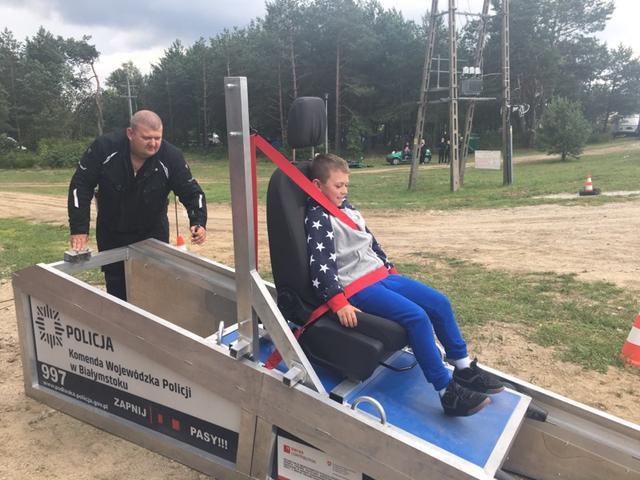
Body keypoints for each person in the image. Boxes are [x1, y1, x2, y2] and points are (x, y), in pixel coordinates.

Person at [305, 154, 504, 417]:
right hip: (356, 285)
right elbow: (321, 264)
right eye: (338, 185)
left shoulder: (348, 209)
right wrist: (338, 302)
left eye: (346, 185)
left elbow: (371, 243)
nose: (344, 191)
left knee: (439, 303)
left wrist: (390, 269)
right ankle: (447, 392)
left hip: (381, 275)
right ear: (318, 185)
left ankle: (463, 367)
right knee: (417, 317)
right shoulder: (318, 217)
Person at [68, 110, 208, 301]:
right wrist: (79, 228)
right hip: (112, 232)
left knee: (154, 289)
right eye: (146, 138)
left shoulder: (171, 156)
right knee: (118, 292)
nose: (153, 143)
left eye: (157, 138)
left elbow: (192, 192)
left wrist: (198, 221)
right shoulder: (104, 148)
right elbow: (80, 185)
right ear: (130, 133)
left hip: (152, 232)